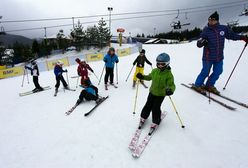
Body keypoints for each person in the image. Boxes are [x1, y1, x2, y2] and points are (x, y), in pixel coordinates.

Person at [193, 11, 248, 94]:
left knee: (218, 71)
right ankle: (197, 85)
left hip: (219, 57)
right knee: (205, 71)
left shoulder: (223, 28)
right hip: (208, 56)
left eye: (212, 20)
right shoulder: (206, 30)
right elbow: (199, 42)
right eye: (209, 20)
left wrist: (242, 37)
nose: (210, 21)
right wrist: (202, 42)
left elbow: (232, 35)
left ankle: (209, 85)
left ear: (217, 20)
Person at [136, 53, 176, 131]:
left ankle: (156, 121)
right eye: (158, 64)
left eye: (162, 64)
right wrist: (142, 76)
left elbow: (171, 85)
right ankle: (143, 117)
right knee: (148, 105)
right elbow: (149, 77)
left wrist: (170, 90)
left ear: (167, 64)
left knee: (155, 108)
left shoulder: (168, 75)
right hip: (152, 92)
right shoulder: (154, 71)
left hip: (161, 95)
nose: (160, 66)